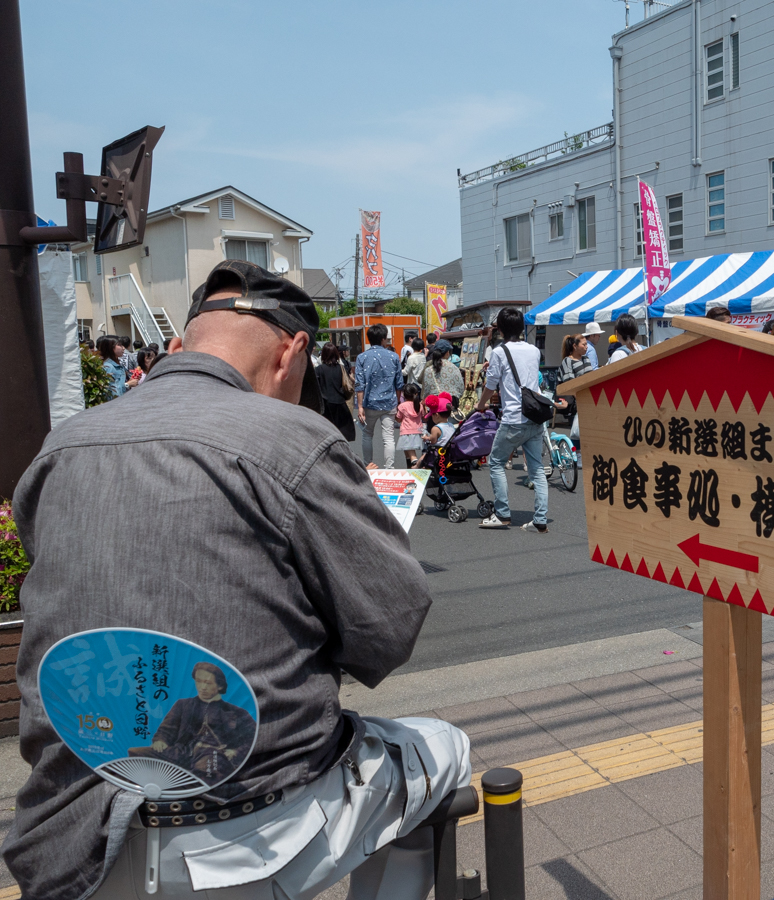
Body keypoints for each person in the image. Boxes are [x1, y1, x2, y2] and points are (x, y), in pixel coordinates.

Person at [4, 259, 469, 900]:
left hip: (72, 839)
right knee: (443, 747)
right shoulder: (291, 439)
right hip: (252, 828)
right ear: (292, 354)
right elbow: (387, 632)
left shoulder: (61, 449)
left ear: (177, 345)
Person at [476, 307, 548, 533]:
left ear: (500, 329)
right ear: (521, 328)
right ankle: (540, 520)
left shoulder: (499, 351)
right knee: (536, 469)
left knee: (496, 462)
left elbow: (491, 385)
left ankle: (503, 513)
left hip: (513, 418)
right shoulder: (534, 350)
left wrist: (480, 405)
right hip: (535, 417)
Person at [128, 662, 256, 785]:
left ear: (220, 686)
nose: (202, 687)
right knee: (136, 753)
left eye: (207, 683)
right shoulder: (182, 705)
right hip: (181, 753)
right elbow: (167, 729)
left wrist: (235, 752)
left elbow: (251, 738)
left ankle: (185, 789)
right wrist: (160, 740)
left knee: (206, 769)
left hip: (212, 754)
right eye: (198, 681)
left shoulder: (237, 712)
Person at [354, 323, 405, 468]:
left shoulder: (362, 357)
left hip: (369, 402)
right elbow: (399, 383)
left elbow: (359, 384)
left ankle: (368, 465)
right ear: (383, 339)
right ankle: (389, 468)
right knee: (388, 438)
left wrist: (360, 407)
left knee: (367, 434)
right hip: (389, 403)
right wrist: (398, 403)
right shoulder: (394, 356)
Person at [316, 341, 356, 441]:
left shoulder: (319, 369)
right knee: (342, 434)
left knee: (326, 434)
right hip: (340, 403)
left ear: (323, 355)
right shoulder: (340, 368)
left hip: (326, 405)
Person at [421, 339, 465, 408]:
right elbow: (461, 389)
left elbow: (426, 391)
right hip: (451, 404)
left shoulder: (428, 370)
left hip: (434, 405)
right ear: (447, 353)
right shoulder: (454, 368)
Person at [396, 383, 425, 466]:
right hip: (418, 431)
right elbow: (423, 417)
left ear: (404, 395)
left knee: (411, 454)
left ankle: (415, 463)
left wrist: (394, 416)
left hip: (406, 431)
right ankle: (410, 467)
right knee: (407, 452)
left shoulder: (402, 406)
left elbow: (398, 419)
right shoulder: (419, 405)